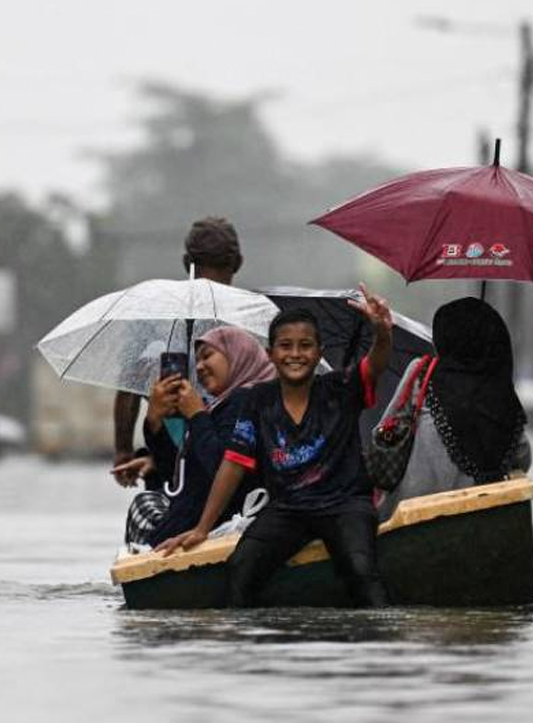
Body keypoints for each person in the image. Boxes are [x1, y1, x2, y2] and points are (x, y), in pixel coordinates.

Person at [156, 287, 393, 608]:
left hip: (344, 505)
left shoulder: (339, 387)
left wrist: (381, 332)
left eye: (305, 346)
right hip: (289, 509)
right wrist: (202, 528)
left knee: (360, 568)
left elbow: (374, 365)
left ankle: (377, 639)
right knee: (242, 569)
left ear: (318, 352)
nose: (295, 354)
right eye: (285, 346)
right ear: (270, 354)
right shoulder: (258, 400)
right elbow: (232, 464)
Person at [111, 217, 243, 488]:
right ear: (237, 263)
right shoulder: (249, 320)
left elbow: (128, 385)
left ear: (187, 264)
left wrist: (122, 449)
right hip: (227, 461)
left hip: (171, 457)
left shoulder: (153, 316)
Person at [375, 296, 530, 519]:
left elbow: (383, 433)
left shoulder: (422, 373)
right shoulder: (499, 391)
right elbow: (522, 457)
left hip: (412, 514)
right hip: (480, 515)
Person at [123, 326, 275, 547]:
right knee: (150, 499)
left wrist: (197, 415)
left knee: (143, 506)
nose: (200, 367)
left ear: (237, 355)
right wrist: (154, 421)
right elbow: (178, 476)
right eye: (197, 361)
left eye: (207, 356)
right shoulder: (221, 406)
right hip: (195, 516)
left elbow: (222, 468)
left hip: (217, 522)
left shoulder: (246, 401)